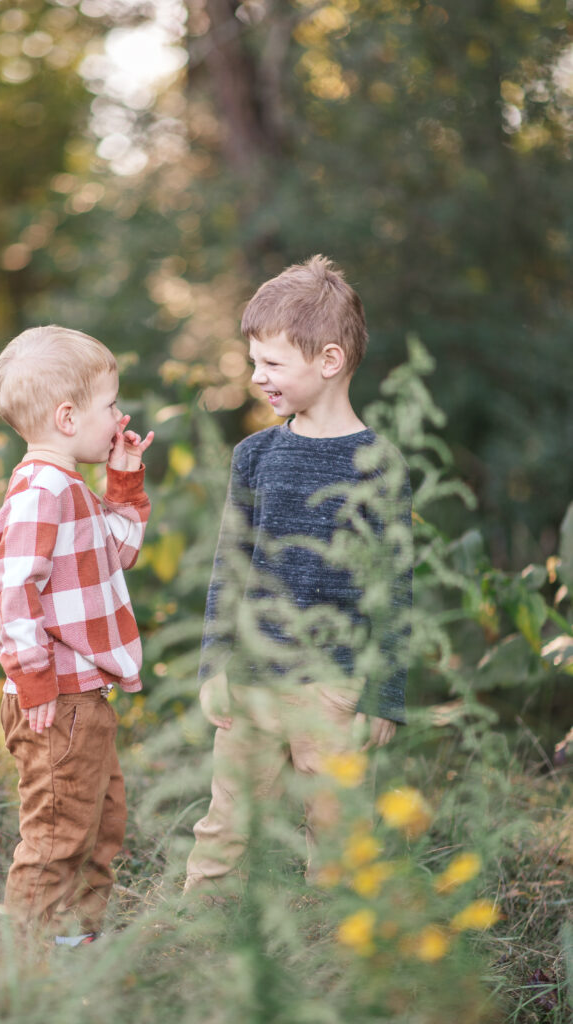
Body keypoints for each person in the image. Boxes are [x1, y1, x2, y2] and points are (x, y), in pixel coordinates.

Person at [185, 255, 413, 892]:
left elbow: (392, 590)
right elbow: (229, 566)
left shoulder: (377, 464)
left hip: (335, 688)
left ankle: (336, 948)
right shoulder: (256, 454)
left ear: (329, 361)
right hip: (254, 679)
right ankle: (189, 931)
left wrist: (384, 695)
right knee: (227, 819)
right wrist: (213, 665)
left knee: (338, 831)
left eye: (271, 364)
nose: (257, 377)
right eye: (254, 362)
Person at [0, 325, 154, 944]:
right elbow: (15, 590)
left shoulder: (72, 490)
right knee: (57, 836)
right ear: (66, 416)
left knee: (99, 826)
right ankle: (21, 974)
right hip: (56, 701)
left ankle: (74, 949)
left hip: (85, 700)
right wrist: (34, 680)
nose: (117, 417)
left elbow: (119, 552)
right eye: (109, 405)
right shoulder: (39, 492)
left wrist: (125, 480)